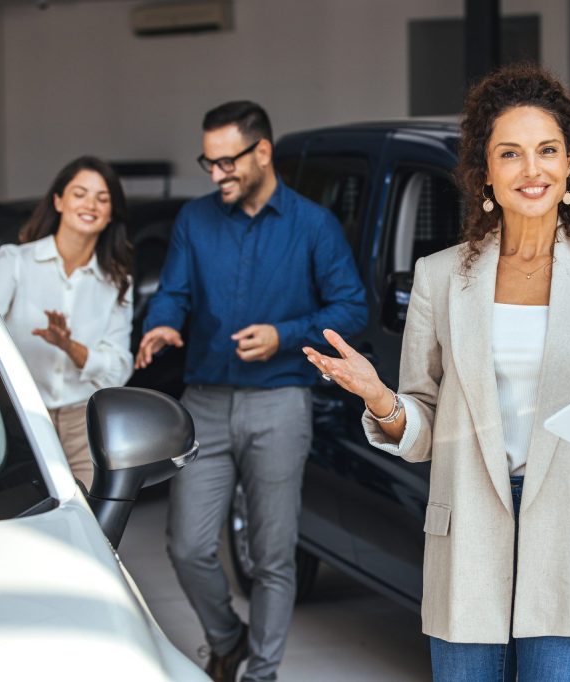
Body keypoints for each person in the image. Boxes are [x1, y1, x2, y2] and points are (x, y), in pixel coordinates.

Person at [302, 63, 570, 682]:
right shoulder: (440, 278)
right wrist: (381, 398)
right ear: (485, 173)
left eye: (548, 150)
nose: (533, 169)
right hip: (467, 532)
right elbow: (422, 424)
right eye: (511, 153)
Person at [135, 100, 366, 682]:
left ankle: (261, 673)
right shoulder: (196, 220)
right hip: (204, 403)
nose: (216, 176)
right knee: (187, 546)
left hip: (280, 403)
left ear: (262, 152)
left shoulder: (314, 226)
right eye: (208, 164)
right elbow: (175, 293)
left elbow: (352, 308)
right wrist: (161, 323)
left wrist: (284, 336)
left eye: (226, 162)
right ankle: (228, 638)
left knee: (272, 556)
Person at [0, 156, 134, 491]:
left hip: (85, 423)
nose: (91, 205)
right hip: (21, 416)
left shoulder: (116, 281)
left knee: (88, 527)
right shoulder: (16, 262)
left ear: (111, 213)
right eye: (80, 193)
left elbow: (119, 369)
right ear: (58, 200)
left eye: (102, 198)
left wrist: (70, 347)